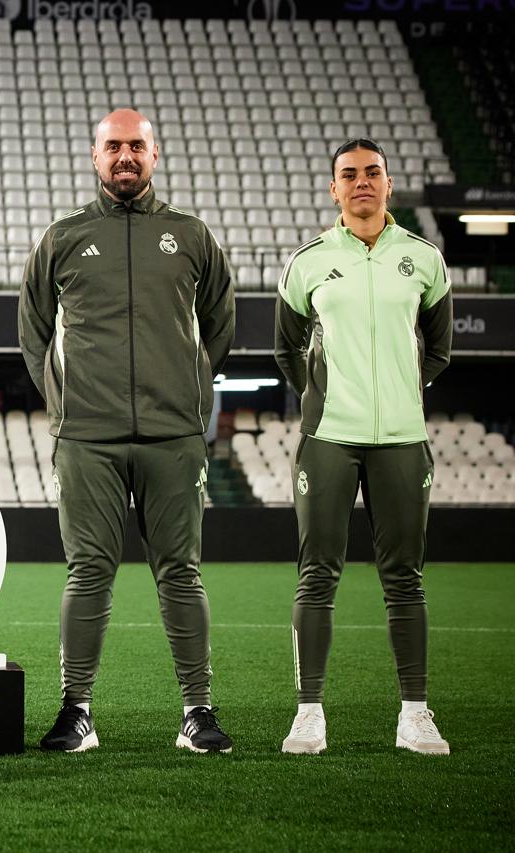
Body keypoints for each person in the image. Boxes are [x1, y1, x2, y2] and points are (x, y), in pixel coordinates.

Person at [19, 109, 236, 753]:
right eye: (113, 146)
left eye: (135, 146)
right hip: (88, 435)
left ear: (154, 154)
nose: (125, 157)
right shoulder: (63, 236)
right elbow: (32, 332)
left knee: (181, 572)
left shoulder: (191, 234)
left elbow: (221, 323)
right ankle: (76, 710)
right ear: (95, 155)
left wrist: (190, 396)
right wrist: (65, 406)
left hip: (173, 436)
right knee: (88, 572)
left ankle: (197, 711)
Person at [275, 138, 453, 756]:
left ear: (388, 183)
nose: (361, 183)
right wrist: (323, 395)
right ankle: (309, 715)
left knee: (405, 580)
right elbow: (285, 348)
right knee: (315, 577)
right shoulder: (309, 262)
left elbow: (439, 346)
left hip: (403, 439)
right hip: (328, 439)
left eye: (371, 173)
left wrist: (400, 392)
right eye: (348, 175)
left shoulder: (424, 259)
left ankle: (414, 713)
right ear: (333, 189)